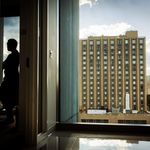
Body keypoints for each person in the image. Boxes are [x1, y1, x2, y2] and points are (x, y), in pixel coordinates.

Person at [0, 38, 19, 124]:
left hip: (10, 80)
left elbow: (4, 65)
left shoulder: (12, 56)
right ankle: (10, 116)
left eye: (8, 44)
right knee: (9, 98)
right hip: (13, 80)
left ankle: (10, 116)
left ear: (12, 45)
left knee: (6, 97)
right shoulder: (16, 55)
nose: (6, 45)